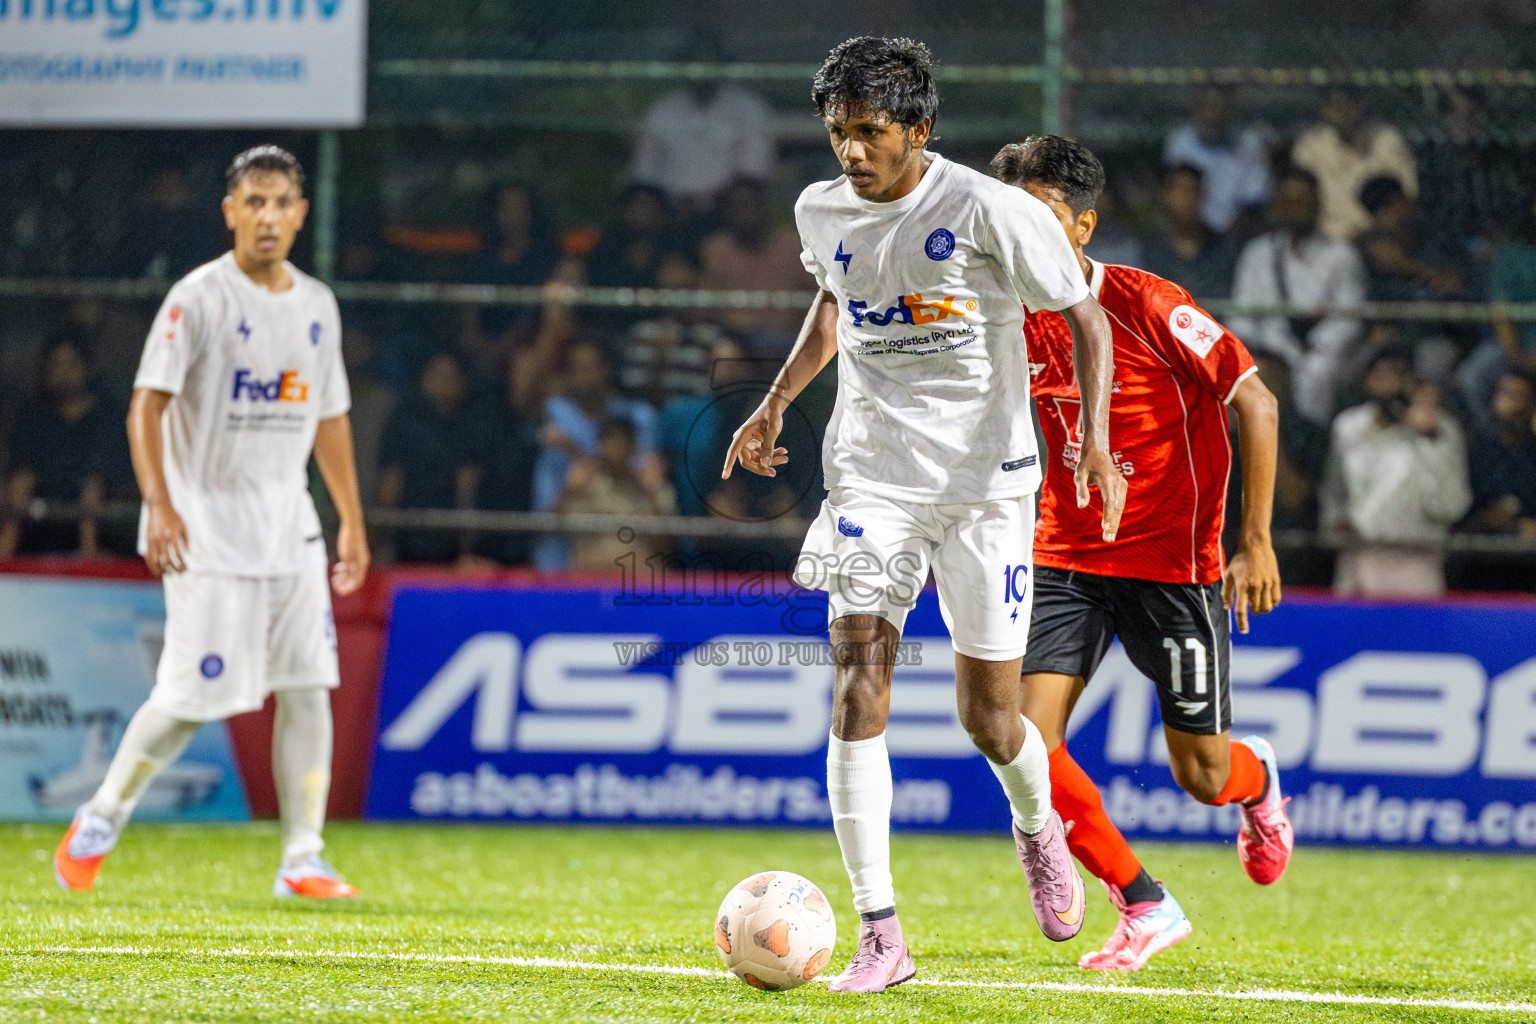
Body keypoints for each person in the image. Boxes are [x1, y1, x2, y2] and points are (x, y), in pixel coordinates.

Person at [722, 38, 1125, 994]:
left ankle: (1037, 830)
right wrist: (777, 399)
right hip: (871, 479)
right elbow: (834, 302)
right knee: (859, 680)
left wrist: (1096, 443)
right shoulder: (819, 209)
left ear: (919, 130)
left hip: (989, 484)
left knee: (992, 720)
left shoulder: (991, 209)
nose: (851, 152)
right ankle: (880, 932)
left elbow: (1088, 318)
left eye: (870, 132)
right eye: (837, 133)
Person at [996, 136, 1291, 973]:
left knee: (1201, 774)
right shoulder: (1002, 315)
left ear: (1083, 226)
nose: (1020, 230)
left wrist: (1255, 541)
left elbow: (1257, 403)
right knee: (1020, 738)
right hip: (1063, 557)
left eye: (1041, 213)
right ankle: (1143, 902)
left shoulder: (1148, 302)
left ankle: (1256, 780)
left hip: (1172, 568)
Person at [52, 146, 369, 899]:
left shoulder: (317, 305)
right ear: (230, 212)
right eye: (252, 202)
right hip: (205, 527)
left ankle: (303, 858)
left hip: (290, 528)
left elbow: (330, 418)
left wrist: (350, 520)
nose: (267, 216)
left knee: (307, 686)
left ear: (300, 214)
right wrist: (159, 504)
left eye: (280, 203)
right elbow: (146, 405)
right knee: (188, 702)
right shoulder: (197, 298)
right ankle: (99, 817)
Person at [1320, 348, 1472, 597]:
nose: (1389, 382)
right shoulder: (1347, 427)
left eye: (1398, 373)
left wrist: (1428, 437)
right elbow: (1333, 493)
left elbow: (1451, 507)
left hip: (1418, 564)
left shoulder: (1442, 429)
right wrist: (1336, 526)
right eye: (1380, 373)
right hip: (1359, 561)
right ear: (1367, 380)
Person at [1229, 168, 1366, 425]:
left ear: (1317, 205)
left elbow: (1349, 319)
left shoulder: (1342, 256)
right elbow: (1241, 316)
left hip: (1321, 355)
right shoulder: (1258, 253)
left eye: (1303, 201)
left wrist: (1315, 345)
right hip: (1267, 350)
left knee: (1317, 374)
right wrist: (1265, 350)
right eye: (1289, 202)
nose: (1296, 209)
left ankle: (1306, 443)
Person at [1, 335, 131, 559]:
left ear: (86, 368)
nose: (62, 373)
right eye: (55, 365)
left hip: (105, 538)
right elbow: (21, 482)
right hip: (38, 537)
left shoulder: (107, 417)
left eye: (70, 364)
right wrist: (6, 549)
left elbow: (96, 483)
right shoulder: (34, 419)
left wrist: (89, 552)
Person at [629, 32, 774, 218]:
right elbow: (644, 173)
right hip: (670, 216)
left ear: (722, 64)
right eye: (694, 62)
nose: (702, 70)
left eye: (709, 62)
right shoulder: (663, 109)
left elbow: (754, 172)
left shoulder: (748, 109)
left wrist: (712, 200)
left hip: (727, 216)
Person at [377, 351, 486, 563]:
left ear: (462, 384)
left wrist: (467, 547)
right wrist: (379, 538)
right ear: (423, 379)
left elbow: (466, 488)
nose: (443, 383)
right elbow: (390, 486)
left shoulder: (469, 427)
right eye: (436, 375)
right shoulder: (403, 423)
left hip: (450, 544)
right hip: (405, 539)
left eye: (451, 377)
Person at [1291, 88, 1417, 240]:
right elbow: (1299, 200)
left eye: (1348, 103)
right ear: (1324, 109)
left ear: (1361, 104)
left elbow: (1406, 196)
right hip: (1325, 241)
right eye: (1334, 105)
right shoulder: (1309, 146)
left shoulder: (1388, 140)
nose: (1342, 112)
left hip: (1377, 239)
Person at [554, 419, 677, 570]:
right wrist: (568, 491)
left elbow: (666, 547)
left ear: (633, 447)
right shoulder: (583, 484)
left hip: (640, 575)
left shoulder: (653, 487)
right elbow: (547, 530)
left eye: (621, 442)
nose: (614, 448)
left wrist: (651, 495)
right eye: (608, 440)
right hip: (589, 573)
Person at [1163, 85, 1270, 236]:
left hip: (1237, 235)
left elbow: (1254, 203)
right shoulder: (1179, 142)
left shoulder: (1250, 143)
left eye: (1218, 107)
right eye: (1206, 106)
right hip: (1191, 233)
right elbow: (1175, 197)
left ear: (1229, 110)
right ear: (1195, 109)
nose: (1211, 114)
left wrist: (1223, 242)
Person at [1139, 164, 1237, 299]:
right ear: (1166, 196)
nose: (1187, 198)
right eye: (1181, 190)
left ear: (1203, 196)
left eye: (1193, 190)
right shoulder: (1149, 250)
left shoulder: (1223, 249)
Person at [1467, 368, 1536, 539]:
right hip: (1482, 549)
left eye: (1515, 395)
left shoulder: (1531, 453)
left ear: (1531, 403)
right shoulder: (1479, 451)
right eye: (1502, 392)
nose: (1506, 402)